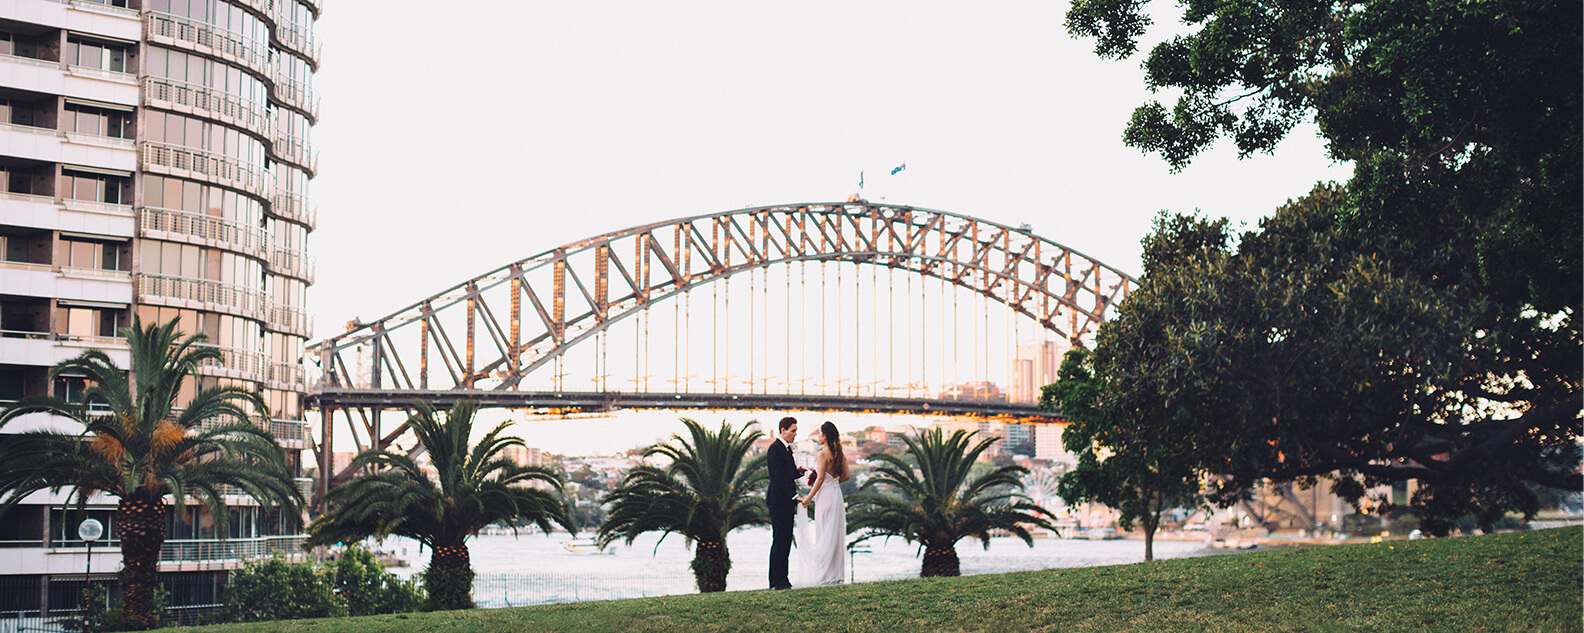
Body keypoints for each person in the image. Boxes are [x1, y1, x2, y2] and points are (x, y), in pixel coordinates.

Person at [795, 421, 850, 586]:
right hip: (836, 494)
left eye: (820, 434)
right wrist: (833, 482)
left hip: (825, 495)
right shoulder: (840, 454)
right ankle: (836, 574)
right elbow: (846, 476)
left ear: (825, 437)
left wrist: (808, 498)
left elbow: (819, 478)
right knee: (835, 532)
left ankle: (825, 575)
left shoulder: (822, 454)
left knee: (824, 531)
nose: (818, 437)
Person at [766, 416, 805, 590]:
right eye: (793, 430)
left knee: (785, 540)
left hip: (785, 502)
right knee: (780, 540)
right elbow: (778, 477)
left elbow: (787, 474)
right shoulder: (775, 449)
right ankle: (776, 581)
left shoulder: (786, 449)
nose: (795, 434)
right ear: (783, 430)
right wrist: (793, 495)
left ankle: (783, 580)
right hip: (779, 501)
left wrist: (799, 472)